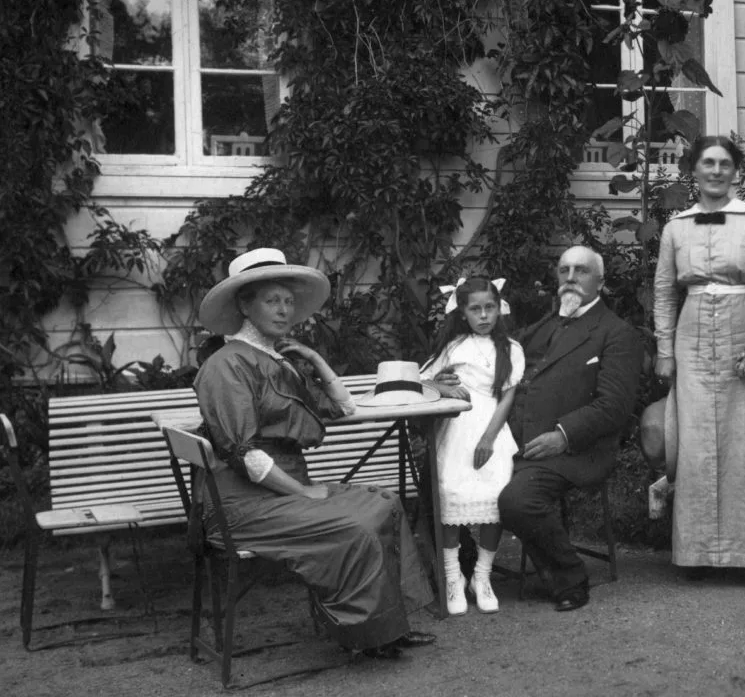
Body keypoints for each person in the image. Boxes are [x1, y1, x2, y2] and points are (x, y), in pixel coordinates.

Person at [192, 248, 436, 659]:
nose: (284, 310)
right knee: (358, 522)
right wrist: (303, 494)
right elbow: (244, 453)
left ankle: (386, 626)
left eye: (289, 301)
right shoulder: (226, 365)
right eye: (272, 301)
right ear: (244, 305)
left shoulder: (278, 361)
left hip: (281, 491)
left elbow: (343, 407)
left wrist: (313, 359)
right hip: (242, 505)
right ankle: (368, 632)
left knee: (388, 502)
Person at [653, 135, 745, 580]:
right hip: (691, 341)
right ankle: (698, 554)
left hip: (743, 331)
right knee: (693, 443)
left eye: (724, 164)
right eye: (707, 163)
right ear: (693, 169)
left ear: (735, 171)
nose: (715, 171)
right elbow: (664, 294)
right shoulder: (676, 227)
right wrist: (664, 350)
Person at [495, 246, 641, 611]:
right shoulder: (544, 325)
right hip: (514, 441)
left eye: (581, 270)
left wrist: (563, 435)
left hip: (575, 450)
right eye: (564, 270)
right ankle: (463, 572)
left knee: (519, 500)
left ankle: (569, 579)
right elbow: (496, 358)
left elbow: (615, 406)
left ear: (600, 282)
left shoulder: (617, 333)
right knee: (440, 475)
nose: (571, 277)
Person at [421, 277, 525, 616]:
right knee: (452, 492)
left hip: (491, 431)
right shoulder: (452, 348)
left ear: (499, 308)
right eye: (475, 309)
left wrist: (488, 438)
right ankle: (453, 577)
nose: (484, 315)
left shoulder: (511, 348)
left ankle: (482, 576)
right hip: (455, 430)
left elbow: (507, 396)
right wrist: (437, 384)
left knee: (495, 496)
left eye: (489, 307)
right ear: (463, 312)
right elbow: (423, 379)